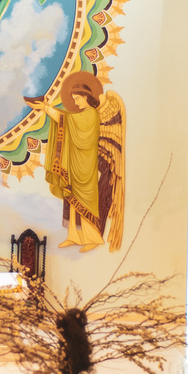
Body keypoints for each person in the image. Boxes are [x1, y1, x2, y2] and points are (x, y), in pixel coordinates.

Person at [32, 71, 125, 253]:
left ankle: (93, 237)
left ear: (86, 97)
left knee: (85, 201)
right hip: (75, 163)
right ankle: (74, 236)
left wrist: (45, 107)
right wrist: (46, 107)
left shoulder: (91, 114)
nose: (75, 102)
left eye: (77, 99)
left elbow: (66, 121)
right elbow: (67, 121)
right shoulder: (81, 115)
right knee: (72, 199)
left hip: (85, 167)